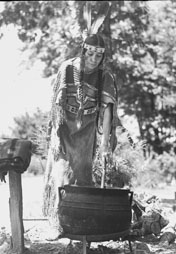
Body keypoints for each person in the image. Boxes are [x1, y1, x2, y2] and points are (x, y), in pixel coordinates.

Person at [42, 3, 119, 240]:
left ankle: (79, 224)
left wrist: (105, 142)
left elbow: (107, 111)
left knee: (82, 176)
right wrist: (56, 132)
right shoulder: (67, 68)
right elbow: (56, 106)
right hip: (64, 129)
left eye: (99, 55)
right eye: (91, 53)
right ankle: (57, 224)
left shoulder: (104, 76)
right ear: (84, 50)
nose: (94, 58)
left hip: (86, 132)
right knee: (60, 174)